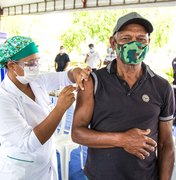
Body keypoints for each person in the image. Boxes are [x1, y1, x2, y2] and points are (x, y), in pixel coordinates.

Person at [72, 12, 175, 180]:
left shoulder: (162, 87)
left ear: (148, 43)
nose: (134, 44)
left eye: (141, 39)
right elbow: (77, 133)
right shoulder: (94, 81)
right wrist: (122, 139)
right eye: (126, 39)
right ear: (113, 43)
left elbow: (166, 144)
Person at [0, 36, 91, 180]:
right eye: (30, 63)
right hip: (21, 171)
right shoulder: (3, 99)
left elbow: (66, 76)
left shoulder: (36, 81)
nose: (35, 66)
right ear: (12, 65)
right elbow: (29, 142)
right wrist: (59, 109)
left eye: (37, 61)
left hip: (45, 163)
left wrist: (77, 72)